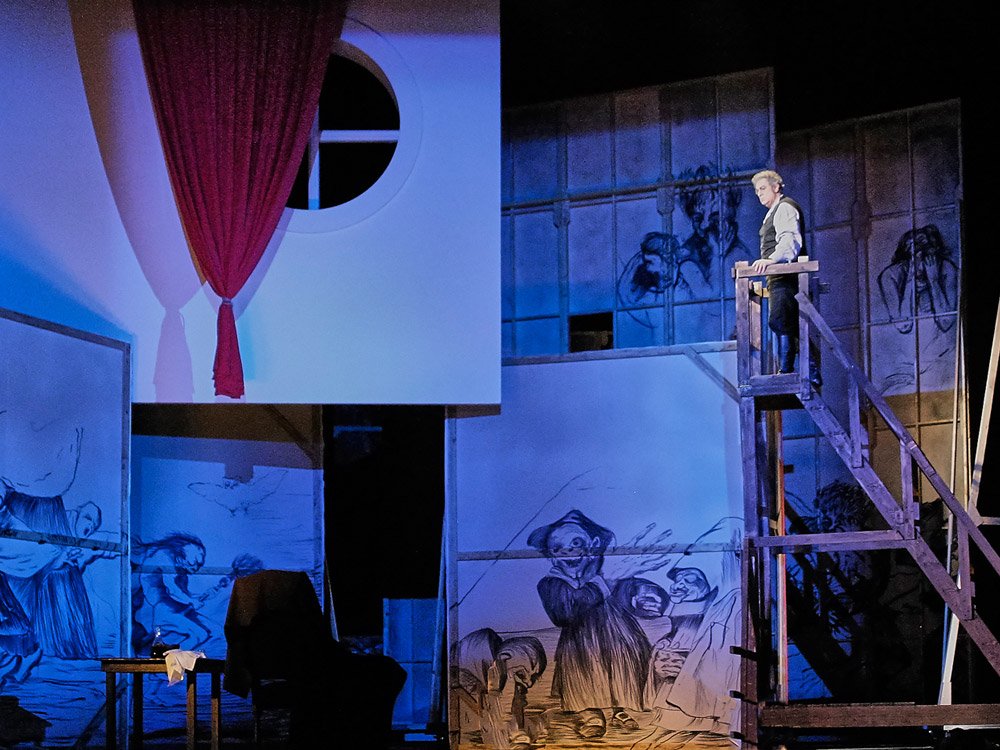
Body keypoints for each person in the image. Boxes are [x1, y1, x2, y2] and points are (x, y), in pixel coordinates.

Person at [750, 170, 809, 376]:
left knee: (781, 319)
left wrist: (771, 260)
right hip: (777, 276)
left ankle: (788, 369)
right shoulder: (773, 212)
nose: (759, 193)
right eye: (757, 191)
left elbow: (789, 241)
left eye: (763, 188)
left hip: (785, 276)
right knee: (784, 320)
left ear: (776, 187)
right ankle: (803, 368)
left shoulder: (784, 207)